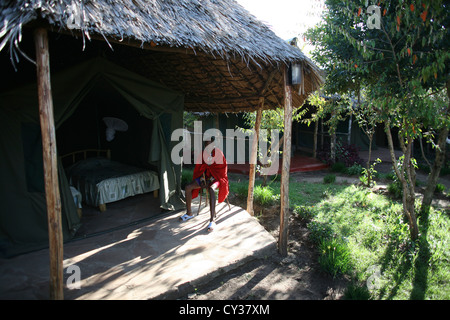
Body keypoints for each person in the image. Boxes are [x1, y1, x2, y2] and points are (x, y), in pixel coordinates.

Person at [180, 137, 229, 232]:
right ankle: (189, 213)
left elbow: (221, 171)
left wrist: (209, 181)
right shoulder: (203, 154)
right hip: (205, 178)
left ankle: (212, 220)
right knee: (188, 187)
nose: (208, 146)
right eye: (206, 144)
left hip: (217, 178)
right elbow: (200, 169)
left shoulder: (218, 154)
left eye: (210, 144)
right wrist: (203, 180)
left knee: (211, 189)